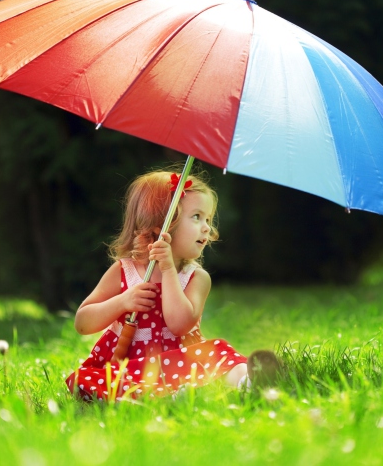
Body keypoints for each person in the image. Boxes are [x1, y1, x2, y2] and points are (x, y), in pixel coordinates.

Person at [65, 169, 279, 401]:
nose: (207, 227)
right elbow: (83, 323)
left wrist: (168, 271)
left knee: (218, 352)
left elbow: (179, 325)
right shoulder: (124, 271)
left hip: (182, 365)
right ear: (161, 224)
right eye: (197, 217)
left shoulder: (195, 277)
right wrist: (122, 301)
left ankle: (247, 381)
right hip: (131, 369)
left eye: (207, 219)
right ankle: (160, 397)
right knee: (90, 379)